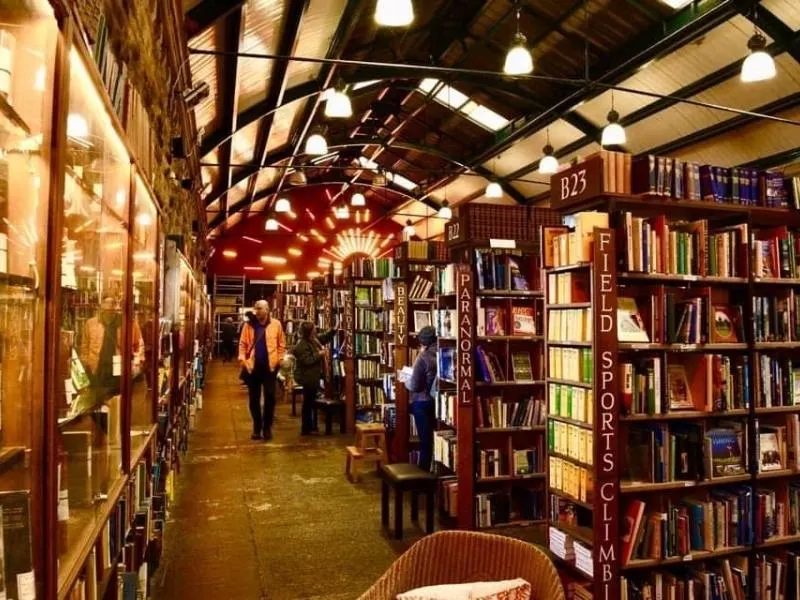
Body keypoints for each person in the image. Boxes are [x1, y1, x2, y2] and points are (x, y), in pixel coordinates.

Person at [239, 300, 286, 440]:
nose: (256, 311)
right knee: (254, 399)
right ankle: (257, 427)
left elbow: (281, 344)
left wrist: (280, 359)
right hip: (253, 367)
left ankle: (267, 428)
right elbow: (242, 344)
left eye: (259, 308)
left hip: (270, 367)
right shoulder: (248, 325)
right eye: (255, 309)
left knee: (270, 397)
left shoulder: (276, 324)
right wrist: (243, 360)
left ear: (267, 309)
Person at [292, 321, 334, 435]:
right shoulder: (301, 345)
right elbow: (307, 361)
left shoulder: (312, 340)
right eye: (314, 330)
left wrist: (333, 330)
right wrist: (319, 354)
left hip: (312, 376)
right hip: (307, 378)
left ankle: (311, 426)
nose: (316, 331)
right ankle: (306, 428)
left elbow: (324, 337)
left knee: (310, 402)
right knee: (308, 403)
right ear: (309, 332)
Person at [406, 325, 437, 471]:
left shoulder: (423, 357)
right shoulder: (443, 352)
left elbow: (415, 386)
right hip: (438, 403)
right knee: (437, 438)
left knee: (425, 442)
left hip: (422, 403)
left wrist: (406, 380)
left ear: (423, 342)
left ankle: (423, 475)